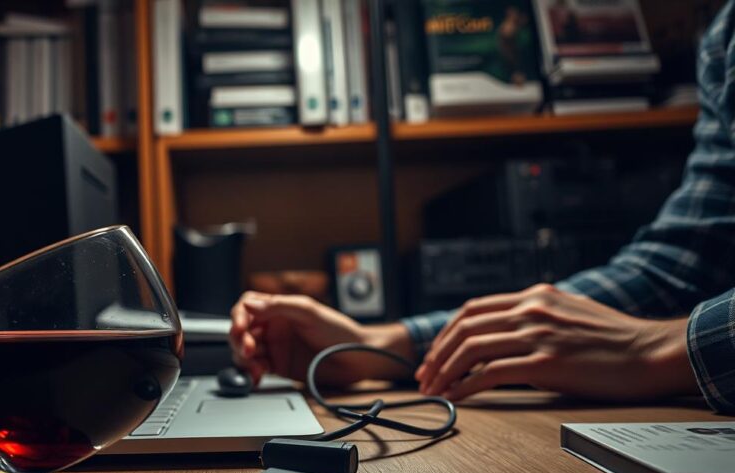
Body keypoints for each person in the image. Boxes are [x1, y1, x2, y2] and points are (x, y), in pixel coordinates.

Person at [229, 2, 735, 413]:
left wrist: (661, 350)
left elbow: (642, 331)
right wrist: (376, 347)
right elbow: (681, 265)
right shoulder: (725, 35)